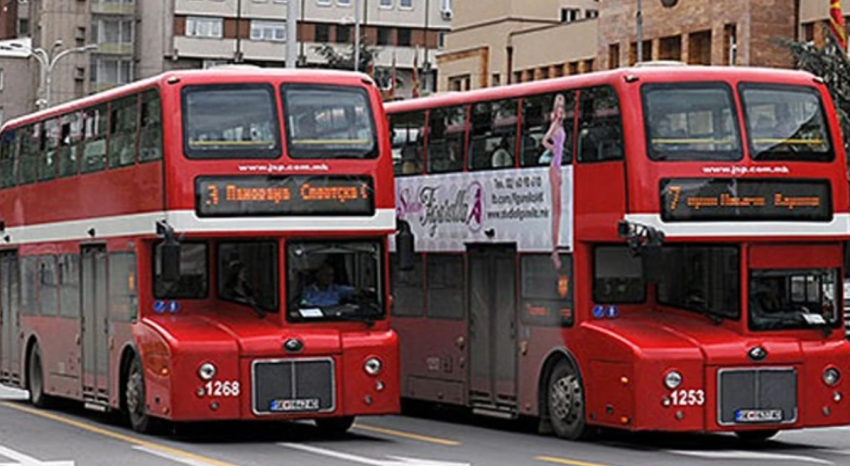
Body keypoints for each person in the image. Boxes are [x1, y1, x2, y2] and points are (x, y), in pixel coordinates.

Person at [543, 94, 566, 270]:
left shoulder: (561, 126)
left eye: (562, 108)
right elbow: (545, 140)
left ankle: (555, 248)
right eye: (558, 108)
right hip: (554, 167)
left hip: (558, 167)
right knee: (556, 211)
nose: (560, 111)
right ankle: (554, 249)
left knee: (559, 209)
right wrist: (554, 150)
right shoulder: (555, 126)